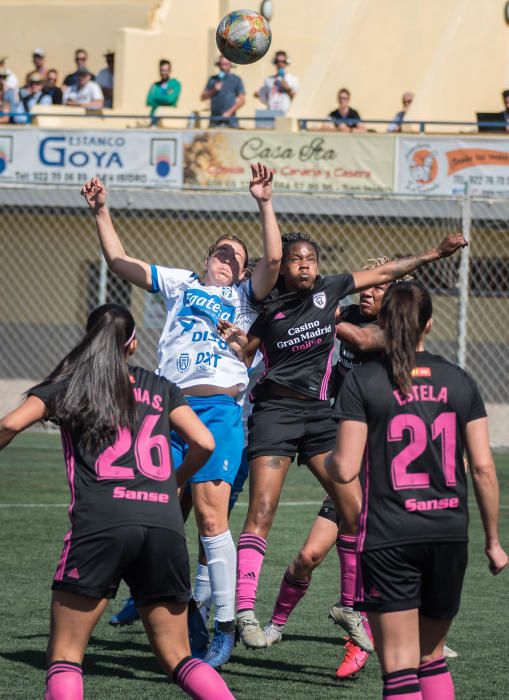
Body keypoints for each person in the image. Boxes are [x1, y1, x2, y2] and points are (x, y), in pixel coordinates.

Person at [217, 230, 467, 651]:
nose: (305, 265)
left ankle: (350, 606)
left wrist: (433, 254)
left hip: (319, 418)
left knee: (354, 509)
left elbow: (388, 271)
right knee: (262, 509)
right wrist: (237, 341)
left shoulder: (331, 291)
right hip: (276, 414)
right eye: (296, 259)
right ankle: (245, 611)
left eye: (311, 259)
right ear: (282, 268)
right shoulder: (270, 307)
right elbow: (248, 351)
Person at [81, 162, 282, 668]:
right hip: (169, 410)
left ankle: (224, 629)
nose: (226, 259)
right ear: (207, 257)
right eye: (221, 251)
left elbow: (274, 258)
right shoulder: (181, 283)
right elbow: (119, 259)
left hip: (217, 411)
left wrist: (263, 202)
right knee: (152, 512)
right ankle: (158, 597)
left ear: (242, 271)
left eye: (236, 258)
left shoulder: (243, 297)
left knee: (211, 519)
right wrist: (102, 210)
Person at [0, 304, 235, 700]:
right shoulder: (159, 387)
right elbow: (205, 442)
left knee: (65, 657)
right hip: (163, 525)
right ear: (132, 343)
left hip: (101, 524)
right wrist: (171, 483)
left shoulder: (70, 384)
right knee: (178, 657)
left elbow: (8, 424)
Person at [327, 280, 508, 699]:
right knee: (432, 656)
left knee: (400, 667)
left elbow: (344, 468)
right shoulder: (460, 380)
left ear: (384, 323)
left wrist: (333, 457)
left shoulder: (365, 381)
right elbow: (482, 468)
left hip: (390, 535)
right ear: (429, 324)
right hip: (448, 534)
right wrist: (494, 542)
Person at [262, 260, 398, 678]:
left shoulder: (396, 334)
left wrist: (322, 320)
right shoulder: (342, 311)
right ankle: (275, 625)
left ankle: (375, 640)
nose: (370, 291)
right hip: (348, 466)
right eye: (369, 285)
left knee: (392, 560)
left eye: (382, 287)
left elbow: (357, 338)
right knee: (308, 555)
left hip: (386, 471)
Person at [201, 56, 245, 128]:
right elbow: (202, 97)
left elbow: (242, 100)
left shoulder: (236, 79)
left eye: (226, 64)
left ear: (230, 65)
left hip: (230, 121)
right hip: (214, 121)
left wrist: (229, 113)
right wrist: (214, 90)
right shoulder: (213, 79)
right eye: (221, 64)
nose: (223, 67)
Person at [254, 50, 299, 115]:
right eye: (278, 61)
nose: (280, 64)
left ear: (287, 62)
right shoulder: (268, 80)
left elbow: (294, 97)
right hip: (271, 113)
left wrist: (286, 86)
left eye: (283, 61)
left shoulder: (293, 79)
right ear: (274, 62)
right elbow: (265, 98)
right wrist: (259, 95)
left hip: (285, 114)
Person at [146, 59, 181, 123]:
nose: (163, 73)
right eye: (162, 70)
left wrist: (156, 97)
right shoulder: (155, 85)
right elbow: (149, 101)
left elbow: (170, 99)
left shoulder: (175, 84)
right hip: (154, 119)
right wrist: (165, 95)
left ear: (170, 70)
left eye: (165, 70)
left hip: (169, 120)